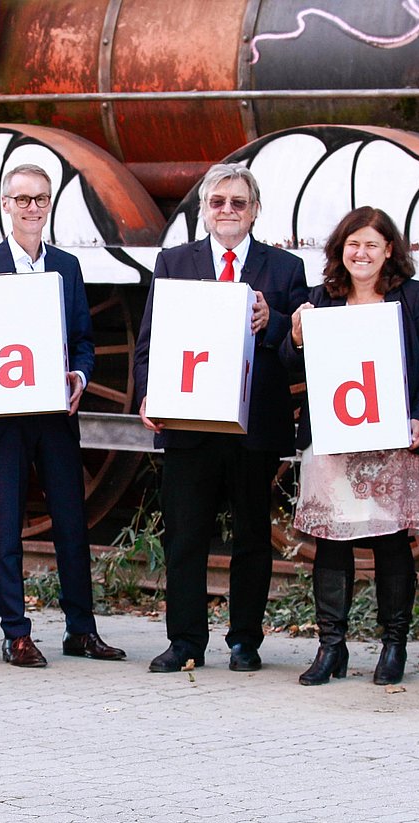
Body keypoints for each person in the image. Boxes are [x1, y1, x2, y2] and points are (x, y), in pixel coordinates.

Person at [134, 163, 305, 674]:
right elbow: (150, 341)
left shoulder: (285, 270)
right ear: (204, 210)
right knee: (185, 537)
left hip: (255, 428)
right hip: (189, 423)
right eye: (218, 202)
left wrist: (272, 323)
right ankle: (185, 641)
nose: (227, 210)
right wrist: (148, 395)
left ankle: (244, 642)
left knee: (252, 538)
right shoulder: (173, 263)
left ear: (254, 212)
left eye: (238, 202)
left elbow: (300, 353)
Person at [0, 165, 124, 667]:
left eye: (40, 199)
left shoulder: (67, 267)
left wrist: (79, 376)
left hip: (53, 415)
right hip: (4, 418)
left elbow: (84, 342)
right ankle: (16, 633)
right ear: (6, 204)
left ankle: (81, 630)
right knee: (5, 525)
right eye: (22, 199)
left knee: (71, 523)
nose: (31, 208)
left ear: (49, 205)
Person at [283, 207, 419, 686]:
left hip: (391, 438)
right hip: (334, 439)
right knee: (330, 542)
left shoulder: (413, 298)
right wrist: (295, 339)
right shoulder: (320, 299)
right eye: (353, 244)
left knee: (390, 540)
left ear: (389, 252)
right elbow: (290, 366)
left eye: (372, 245)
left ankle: (393, 646)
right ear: (341, 249)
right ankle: (330, 647)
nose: (362, 253)